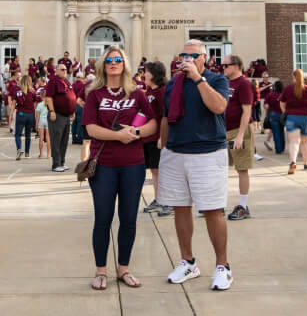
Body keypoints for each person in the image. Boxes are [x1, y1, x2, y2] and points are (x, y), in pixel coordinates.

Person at [79, 45, 157, 290]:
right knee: (103, 217)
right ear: (103, 64)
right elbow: (90, 128)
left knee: (129, 219)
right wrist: (118, 136)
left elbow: (153, 122)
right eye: (110, 59)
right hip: (104, 165)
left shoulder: (136, 93)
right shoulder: (94, 94)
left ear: (125, 64)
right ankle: (101, 270)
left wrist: (135, 132)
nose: (114, 63)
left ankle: (124, 268)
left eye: (118, 59)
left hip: (133, 165)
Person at [160, 40, 235, 290]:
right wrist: (163, 147)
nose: (187, 59)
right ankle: (188, 262)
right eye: (184, 54)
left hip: (208, 153)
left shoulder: (216, 81)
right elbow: (165, 116)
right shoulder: (173, 84)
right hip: (176, 152)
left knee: (213, 210)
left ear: (205, 58)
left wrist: (197, 79)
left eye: (193, 55)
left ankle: (223, 266)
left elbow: (219, 106)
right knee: (180, 208)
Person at [222, 55, 258, 220]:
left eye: (226, 65)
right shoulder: (227, 82)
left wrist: (240, 136)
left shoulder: (243, 84)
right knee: (221, 168)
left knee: (241, 169)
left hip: (239, 131)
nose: (223, 68)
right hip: (225, 131)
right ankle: (218, 204)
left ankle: (243, 206)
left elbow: (247, 111)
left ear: (236, 66)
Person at [140, 61, 173, 217]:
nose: (143, 74)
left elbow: (165, 117)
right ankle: (159, 199)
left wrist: (162, 136)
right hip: (148, 138)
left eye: (146, 72)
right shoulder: (148, 92)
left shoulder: (162, 92)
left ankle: (170, 202)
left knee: (163, 171)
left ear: (154, 74)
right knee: (154, 170)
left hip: (159, 139)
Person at [281, 69, 307, 175]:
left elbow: (282, 103)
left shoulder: (288, 89)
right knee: (305, 141)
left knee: (294, 142)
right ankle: (306, 163)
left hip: (292, 117)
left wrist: (286, 112)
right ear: (303, 77)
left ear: (293, 76)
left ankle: (293, 162)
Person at [44, 67, 78, 172]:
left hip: (66, 115)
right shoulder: (53, 81)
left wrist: (72, 111)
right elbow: (49, 97)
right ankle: (56, 164)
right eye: (62, 69)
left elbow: (71, 97)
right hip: (57, 114)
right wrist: (52, 111)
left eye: (65, 69)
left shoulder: (66, 81)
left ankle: (62, 162)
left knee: (64, 140)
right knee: (56, 140)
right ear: (56, 71)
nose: (64, 71)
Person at [11, 74, 38, 159]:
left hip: (21, 114)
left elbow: (13, 103)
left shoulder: (17, 91)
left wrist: (11, 115)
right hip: (30, 115)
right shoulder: (33, 92)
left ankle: (19, 149)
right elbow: (35, 104)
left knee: (18, 134)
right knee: (28, 134)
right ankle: (27, 153)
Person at [263, 78, 285, 155]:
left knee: (276, 132)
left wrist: (269, 110)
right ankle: (282, 148)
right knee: (282, 132)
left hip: (273, 115)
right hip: (282, 115)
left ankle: (278, 150)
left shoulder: (270, 94)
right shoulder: (283, 95)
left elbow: (266, 105)